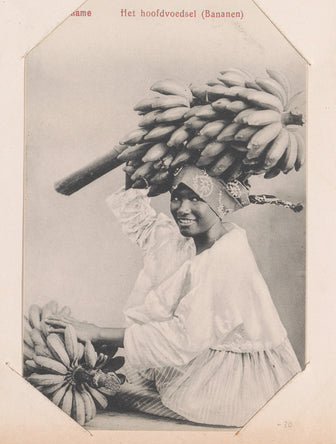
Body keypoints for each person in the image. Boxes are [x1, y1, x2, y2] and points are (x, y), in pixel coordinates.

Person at [46, 165, 301, 427]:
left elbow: (184, 337)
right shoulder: (186, 242)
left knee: (123, 397)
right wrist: (135, 164)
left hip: (235, 381)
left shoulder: (226, 258)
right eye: (176, 196)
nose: (182, 208)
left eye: (196, 198)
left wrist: (98, 332)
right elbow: (143, 224)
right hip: (197, 356)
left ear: (221, 204)